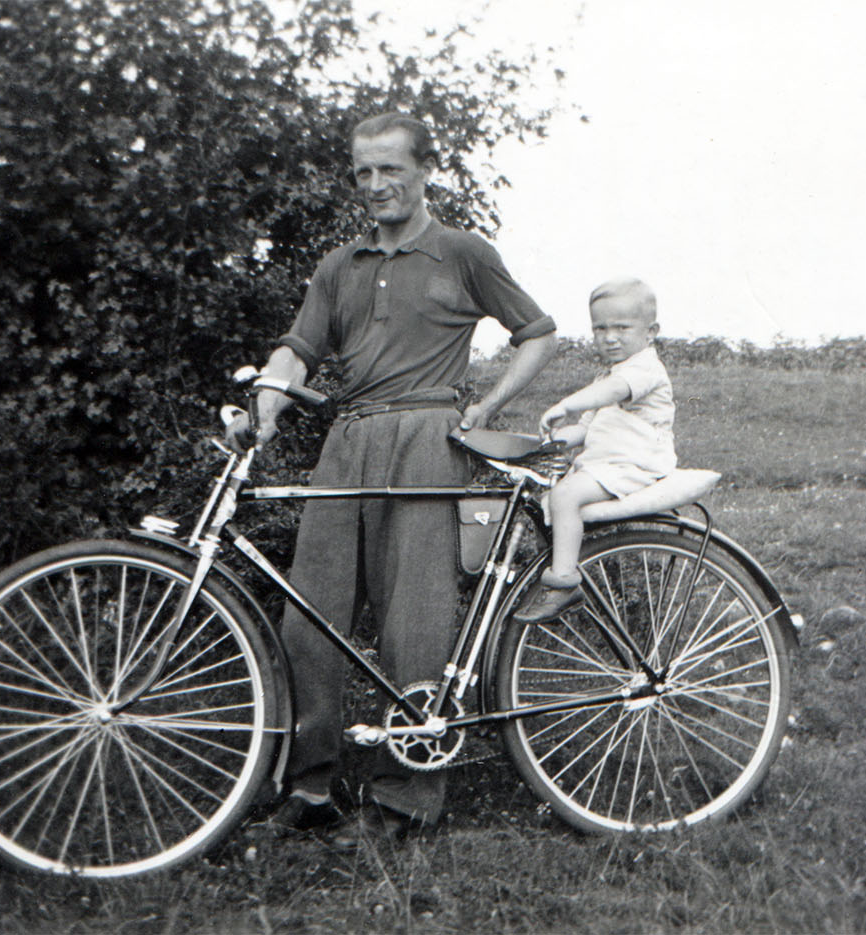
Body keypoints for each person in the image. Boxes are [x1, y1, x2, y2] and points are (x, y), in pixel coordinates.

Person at [224, 113, 556, 845]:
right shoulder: (338, 264)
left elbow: (537, 331)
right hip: (349, 439)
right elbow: (297, 351)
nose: (375, 186)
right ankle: (309, 785)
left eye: (390, 170)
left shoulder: (462, 252)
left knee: (415, 619)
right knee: (308, 615)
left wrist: (489, 402)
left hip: (428, 440)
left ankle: (405, 797)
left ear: (423, 170)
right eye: (363, 173)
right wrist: (267, 407)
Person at [513, 278, 676, 623]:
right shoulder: (609, 374)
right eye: (600, 328)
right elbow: (586, 428)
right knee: (555, 495)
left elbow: (613, 392)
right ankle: (565, 560)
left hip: (637, 464)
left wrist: (566, 403)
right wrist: (553, 440)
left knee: (565, 496)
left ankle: (564, 582)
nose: (609, 337)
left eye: (621, 327)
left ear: (651, 332)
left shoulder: (644, 368)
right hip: (610, 464)